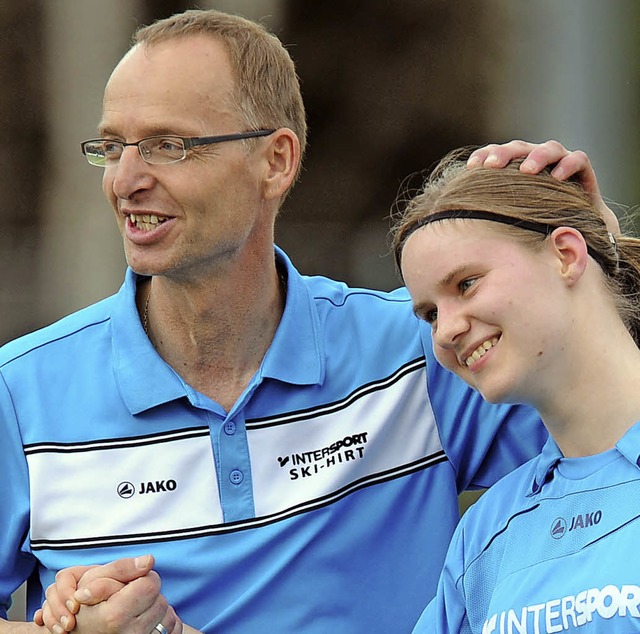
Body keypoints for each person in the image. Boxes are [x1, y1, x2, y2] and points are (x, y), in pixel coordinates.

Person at [0, 6, 607, 633]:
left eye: (167, 146)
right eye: (112, 147)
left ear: (276, 162)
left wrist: (591, 263)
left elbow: (610, 428)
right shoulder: (21, 392)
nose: (126, 179)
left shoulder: (425, 348)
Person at [391, 149, 640, 632]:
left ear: (566, 255)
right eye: (430, 313)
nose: (444, 333)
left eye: (466, 284)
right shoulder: (485, 532)